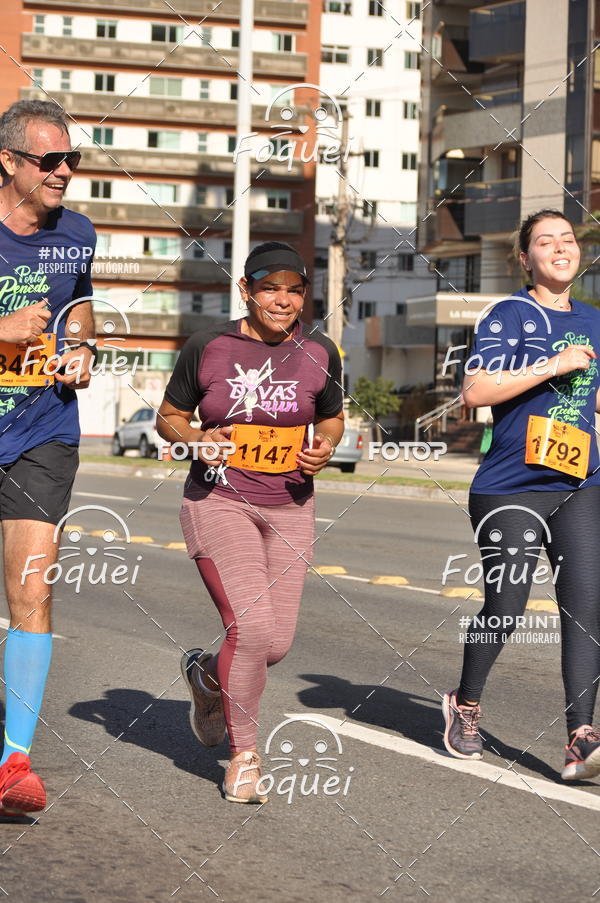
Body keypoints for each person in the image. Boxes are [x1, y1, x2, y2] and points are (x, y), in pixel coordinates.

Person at [157, 241, 344, 802]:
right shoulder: (208, 346)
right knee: (251, 630)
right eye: (269, 288)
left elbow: (332, 420)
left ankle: (208, 676)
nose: (282, 300)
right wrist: (196, 438)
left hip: (291, 503)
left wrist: (324, 448)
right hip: (219, 500)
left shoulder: (321, 351)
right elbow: (169, 418)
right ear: (246, 290)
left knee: (276, 644)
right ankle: (244, 757)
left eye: (293, 290)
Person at [442, 209, 600, 780]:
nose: (561, 248)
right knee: (507, 608)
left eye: (568, 239)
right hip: (511, 486)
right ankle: (465, 704)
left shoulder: (594, 321)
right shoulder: (509, 314)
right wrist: (553, 363)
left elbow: (592, 400)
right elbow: (476, 388)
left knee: (585, 609)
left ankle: (580, 737)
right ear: (525, 258)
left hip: (581, 482)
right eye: (546, 241)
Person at [0, 100, 96, 813]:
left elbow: (82, 308)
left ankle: (13, 761)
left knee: (32, 590)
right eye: (49, 160)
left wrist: (83, 351)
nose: (64, 172)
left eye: (72, 160)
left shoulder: (77, 235)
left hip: (43, 430)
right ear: (8, 162)